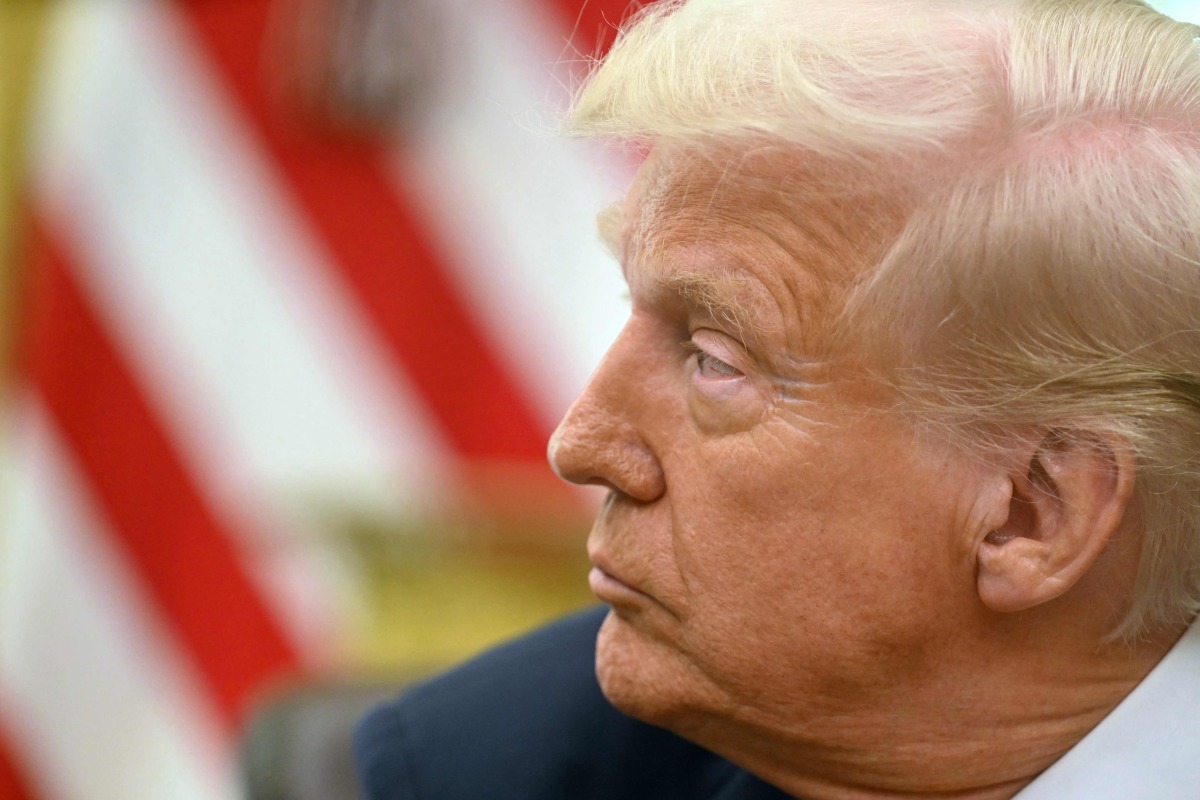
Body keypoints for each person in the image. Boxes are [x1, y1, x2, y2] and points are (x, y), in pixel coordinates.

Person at [355, 0, 1200, 796]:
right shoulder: (499, 765)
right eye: (636, 310)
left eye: (715, 358)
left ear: (1030, 513)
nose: (581, 444)